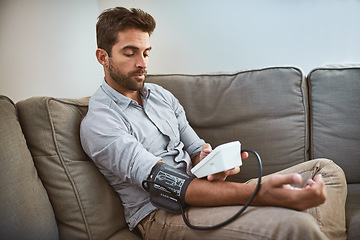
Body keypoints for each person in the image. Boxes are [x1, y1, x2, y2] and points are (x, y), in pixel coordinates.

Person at [80, 7, 347, 240]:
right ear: (103, 57)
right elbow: (168, 183)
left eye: (146, 53)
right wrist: (259, 193)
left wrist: (207, 161)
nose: (142, 64)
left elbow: (195, 147)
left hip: (203, 191)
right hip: (163, 214)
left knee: (327, 170)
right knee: (296, 225)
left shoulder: (161, 95)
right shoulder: (100, 122)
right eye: (130, 53)